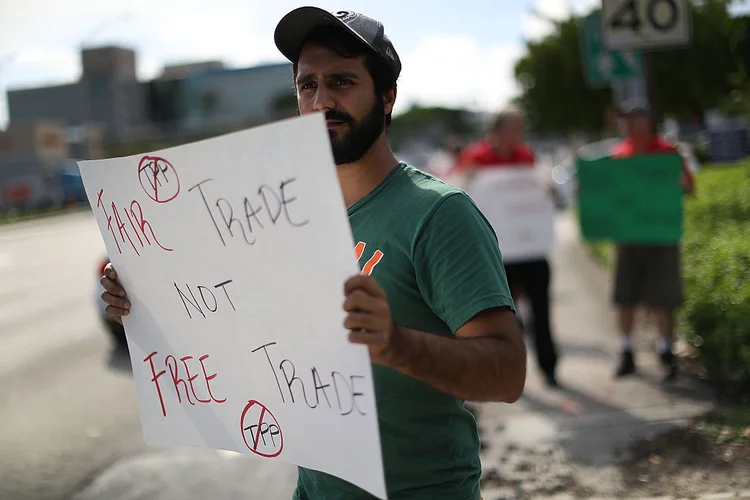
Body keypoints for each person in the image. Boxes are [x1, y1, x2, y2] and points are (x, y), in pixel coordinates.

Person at [100, 7, 526, 500]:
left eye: (342, 82)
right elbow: (232, 321)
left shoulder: (438, 214)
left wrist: (396, 345)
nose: (322, 101)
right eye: (308, 86)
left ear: (387, 98)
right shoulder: (286, 215)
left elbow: (507, 371)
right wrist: (143, 294)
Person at [451, 109, 560, 388]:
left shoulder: (528, 157)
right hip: (498, 255)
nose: (520, 133)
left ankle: (549, 367)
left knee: (542, 309)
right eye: (516, 127)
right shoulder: (475, 159)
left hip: (532, 250)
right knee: (502, 319)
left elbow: (544, 190)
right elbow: (457, 193)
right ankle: (509, 371)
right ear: (497, 131)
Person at [610, 104, 695, 381]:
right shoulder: (619, 156)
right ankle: (626, 351)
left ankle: (666, 351)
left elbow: (689, 186)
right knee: (625, 297)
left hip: (661, 238)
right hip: (628, 239)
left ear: (648, 122)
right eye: (628, 122)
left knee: (664, 297)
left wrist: (678, 185)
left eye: (636, 120)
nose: (632, 127)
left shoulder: (668, 153)